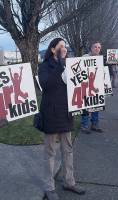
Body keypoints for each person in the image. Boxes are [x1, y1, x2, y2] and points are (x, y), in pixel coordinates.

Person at [38, 38, 86, 200]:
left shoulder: (69, 66)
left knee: (68, 150)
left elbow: (77, 87)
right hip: (51, 114)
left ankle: (69, 182)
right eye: (61, 47)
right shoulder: (44, 67)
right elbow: (46, 85)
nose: (64, 49)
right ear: (53, 50)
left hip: (66, 114)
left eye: (65, 47)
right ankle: (49, 188)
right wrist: (59, 66)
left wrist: (84, 102)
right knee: (50, 152)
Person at [80, 41, 103, 134]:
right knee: (85, 108)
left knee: (96, 106)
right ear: (91, 48)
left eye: (99, 47)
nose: (97, 49)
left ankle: (94, 124)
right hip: (85, 87)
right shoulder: (85, 57)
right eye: (95, 47)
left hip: (96, 87)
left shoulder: (100, 59)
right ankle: (84, 126)